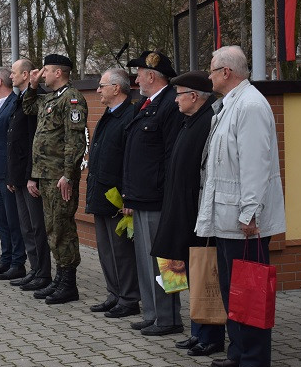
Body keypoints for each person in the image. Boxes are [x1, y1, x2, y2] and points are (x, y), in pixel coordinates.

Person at [196, 45, 285, 367]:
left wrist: (250, 212)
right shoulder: (232, 105)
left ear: (227, 73)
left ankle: (255, 359)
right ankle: (238, 351)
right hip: (228, 217)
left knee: (250, 289)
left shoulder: (249, 106)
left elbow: (255, 165)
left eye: (212, 69)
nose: (209, 75)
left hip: (245, 221)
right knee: (232, 287)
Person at [150, 70, 225, 356]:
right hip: (179, 210)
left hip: (196, 214)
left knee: (203, 275)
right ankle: (197, 331)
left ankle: (211, 336)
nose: (175, 100)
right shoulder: (189, 121)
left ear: (194, 96)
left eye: (179, 94)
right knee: (187, 272)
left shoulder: (207, 122)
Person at [122, 50, 184, 335]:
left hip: (159, 197)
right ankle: (152, 312)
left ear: (151, 75)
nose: (136, 79)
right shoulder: (145, 105)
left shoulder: (171, 104)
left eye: (139, 74)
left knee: (167, 261)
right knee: (147, 261)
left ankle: (170, 317)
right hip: (142, 196)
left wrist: (170, 196)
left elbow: (172, 156)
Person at [22, 54, 87, 304]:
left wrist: (68, 175)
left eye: (46, 70)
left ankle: (68, 283)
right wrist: (34, 84)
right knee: (52, 228)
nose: (42, 74)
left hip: (60, 177)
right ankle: (60, 278)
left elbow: (75, 140)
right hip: (46, 175)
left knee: (63, 228)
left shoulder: (72, 99)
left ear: (58, 73)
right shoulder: (50, 98)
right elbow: (28, 107)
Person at [84, 67, 140, 318]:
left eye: (102, 86)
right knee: (106, 249)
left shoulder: (130, 115)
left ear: (116, 88)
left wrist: (128, 194)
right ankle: (114, 294)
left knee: (121, 251)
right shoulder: (109, 114)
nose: (97, 90)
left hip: (118, 196)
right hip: (102, 192)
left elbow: (131, 159)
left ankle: (128, 298)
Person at [6, 59, 52, 291]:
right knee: (26, 226)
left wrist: (31, 176)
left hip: (31, 175)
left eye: (13, 72)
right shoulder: (22, 99)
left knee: (37, 226)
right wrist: (13, 177)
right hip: (20, 176)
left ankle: (43, 273)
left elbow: (35, 141)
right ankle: (35, 270)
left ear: (26, 74)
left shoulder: (38, 98)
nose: (10, 76)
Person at [0, 67, 27, 280]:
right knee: (0, 218)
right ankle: (6, 259)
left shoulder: (13, 103)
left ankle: (18, 262)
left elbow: (12, 142)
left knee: (12, 219)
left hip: (8, 171)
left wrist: (10, 172)